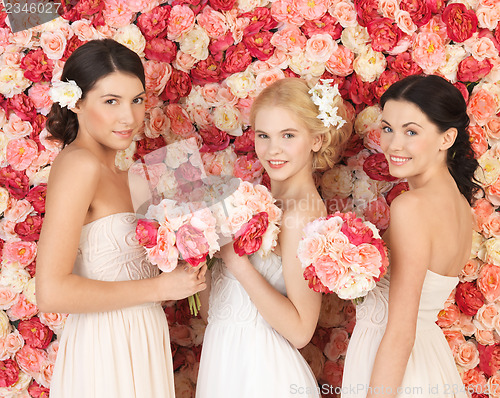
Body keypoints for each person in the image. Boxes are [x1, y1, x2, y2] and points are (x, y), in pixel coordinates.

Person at [35, 39, 207, 398]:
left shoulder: (127, 174)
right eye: (111, 101)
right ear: (77, 102)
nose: (128, 117)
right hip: (105, 347)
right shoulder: (79, 165)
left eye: (137, 100)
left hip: (142, 337)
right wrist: (160, 288)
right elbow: (50, 291)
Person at [196, 78, 352, 397]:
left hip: (263, 374)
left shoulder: (300, 215)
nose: (272, 149)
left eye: (288, 135)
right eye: (264, 135)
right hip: (224, 363)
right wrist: (196, 250)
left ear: (317, 140)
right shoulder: (253, 202)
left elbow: (300, 331)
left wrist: (236, 262)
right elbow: (213, 310)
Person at [341, 74, 481, 398]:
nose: (393, 144)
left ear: (446, 138)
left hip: (396, 371)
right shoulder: (461, 206)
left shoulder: (411, 207)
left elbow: (402, 332)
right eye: (388, 128)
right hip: (428, 361)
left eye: (411, 132)